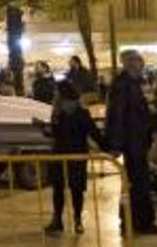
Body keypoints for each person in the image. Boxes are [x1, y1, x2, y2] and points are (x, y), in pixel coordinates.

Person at [34, 80, 105, 236]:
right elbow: (54, 133)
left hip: (77, 156)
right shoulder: (57, 113)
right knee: (58, 189)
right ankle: (57, 220)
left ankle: (77, 220)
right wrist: (42, 128)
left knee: (76, 190)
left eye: (57, 93)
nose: (55, 96)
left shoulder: (82, 113)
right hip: (59, 155)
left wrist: (107, 147)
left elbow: (94, 133)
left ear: (65, 95)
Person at [107, 49, 157, 234]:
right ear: (130, 63)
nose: (142, 64)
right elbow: (117, 115)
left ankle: (134, 222)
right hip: (132, 143)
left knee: (136, 184)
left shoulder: (131, 84)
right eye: (139, 61)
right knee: (136, 184)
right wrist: (115, 145)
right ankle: (138, 223)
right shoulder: (124, 85)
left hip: (136, 141)